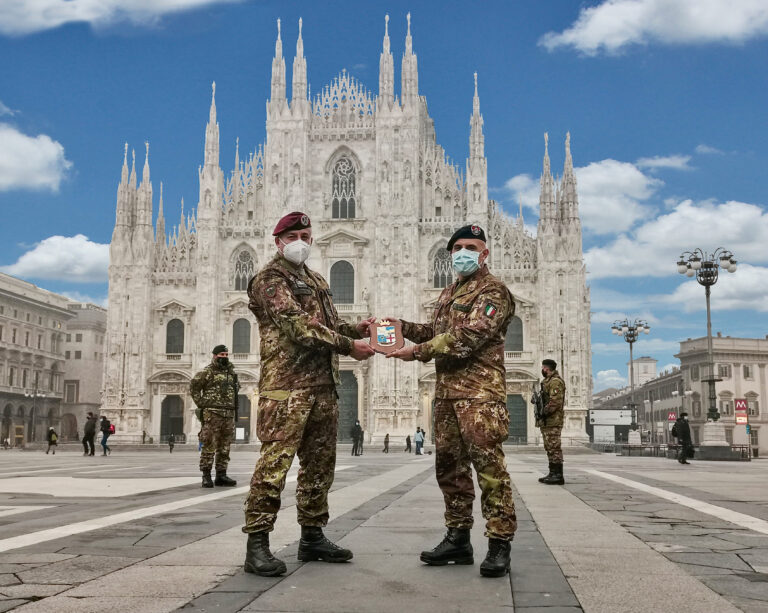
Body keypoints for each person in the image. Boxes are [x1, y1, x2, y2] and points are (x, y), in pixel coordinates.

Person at [243, 211, 375, 576]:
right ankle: (257, 544)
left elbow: (327, 323)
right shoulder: (269, 280)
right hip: (286, 389)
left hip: (323, 388)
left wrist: (356, 327)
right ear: (279, 241)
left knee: (319, 469)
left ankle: (312, 537)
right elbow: (299, 327)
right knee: (274, 467)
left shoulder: (315, 279)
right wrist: (350, 345)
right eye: (293, 235)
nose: (301, 240)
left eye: (305, 233)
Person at [387, 224, 517, 578]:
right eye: (457, 247)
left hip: (479, 395)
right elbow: (437, 331)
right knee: (450, 470)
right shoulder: (450, 292)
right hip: (445, 394)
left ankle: (499, 543)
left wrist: (416, 352)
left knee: (490, 471)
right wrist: (402, 327)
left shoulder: (494, 292)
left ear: (484, 252)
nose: (462, 252)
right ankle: (458, 539)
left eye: (470, 246)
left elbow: (468, 336)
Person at [190, 345, 240, 489]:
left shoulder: (231, 374)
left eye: (226, 354)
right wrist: (201, 404)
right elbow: (194, 387)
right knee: (209, 444)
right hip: (212, 413)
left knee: (225, 446)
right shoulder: (207, 372)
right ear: (214, 356)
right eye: (221, 354)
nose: (224, 357)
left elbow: (236, 389)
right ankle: (206, 475)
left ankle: (221, 475)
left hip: (228, 414)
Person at [536, 359, 566, 485]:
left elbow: (555, 402)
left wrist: (544, 411)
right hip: (547, 421)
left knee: (554, 447)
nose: (542, 370)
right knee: (549, 447)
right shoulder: (546, 381)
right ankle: (552, 473)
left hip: (553, 420)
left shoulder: (555, 382)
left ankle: (558, 475)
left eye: (543, 368)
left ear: (546, 369)